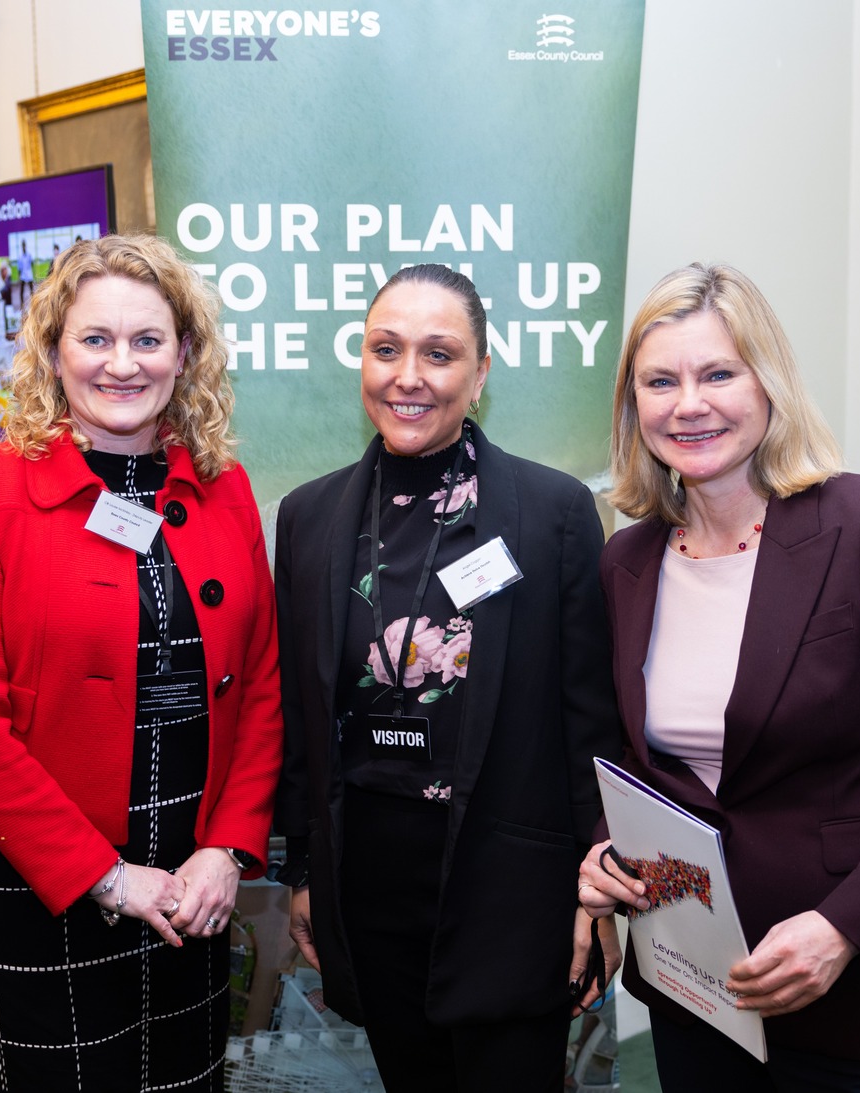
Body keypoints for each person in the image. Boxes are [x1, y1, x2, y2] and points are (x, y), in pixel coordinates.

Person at [577, 263, 860, 1091]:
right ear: (632, 406)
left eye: (718, 373)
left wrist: (842, 928)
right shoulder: (627, 562)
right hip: (696, 985)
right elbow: (638, 762)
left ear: (769, 383)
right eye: (660, 381)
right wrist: (605, 850)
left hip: (858, 991)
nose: (689, 403)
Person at [0, 234, 282, 1092]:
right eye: (96, 339)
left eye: (148, 340)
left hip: (192, 889)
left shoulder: (223, 487)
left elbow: (261, 687)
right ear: (53, 351)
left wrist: (228, 849)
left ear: (185, 354)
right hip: (38, 883)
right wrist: (107, 877)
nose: (123, 364)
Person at [273, 263, 622, 1092]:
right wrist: (302, 870)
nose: (408, 377)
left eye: (439, 354)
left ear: (481, 371)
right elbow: (301, 710)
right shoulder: (310, 516)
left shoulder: (553, 512)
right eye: (385, 349)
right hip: (368, 876)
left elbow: (588, 720)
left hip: (509, 881)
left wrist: (593, 892)